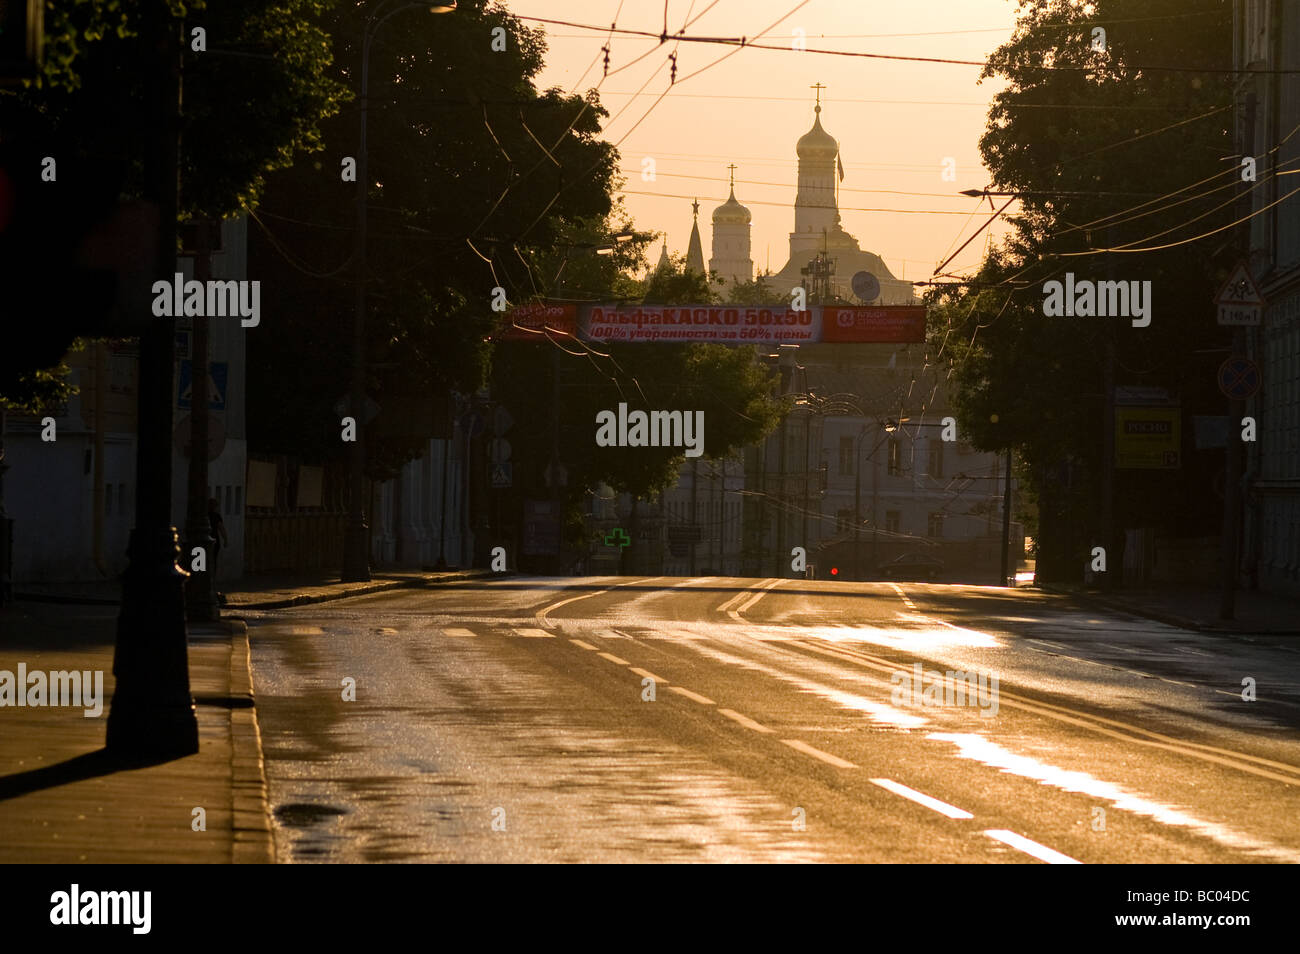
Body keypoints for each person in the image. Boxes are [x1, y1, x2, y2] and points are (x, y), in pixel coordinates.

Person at [208, 497, 228, 604]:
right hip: (214, 543)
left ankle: (202, 582)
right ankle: (210, 582)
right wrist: (226, 540)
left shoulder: (203, 515)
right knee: (212, 563)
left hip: (203, 545)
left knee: (201, 564)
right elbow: (221, 529)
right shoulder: (216, 516)